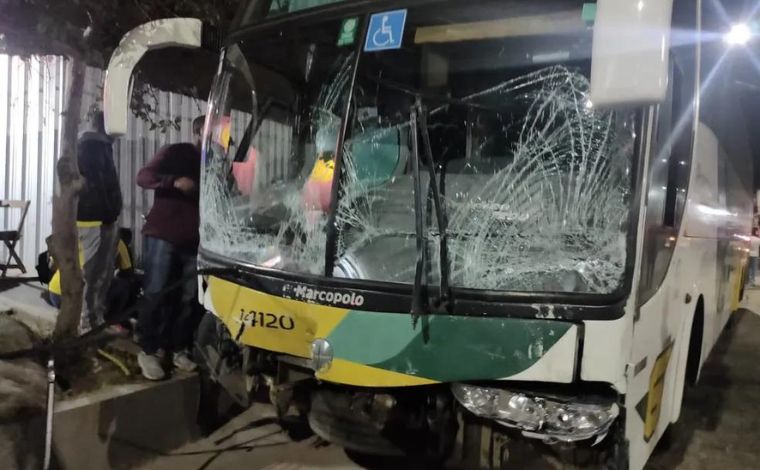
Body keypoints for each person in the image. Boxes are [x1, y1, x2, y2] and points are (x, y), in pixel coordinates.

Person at [136, 116, 204, 380]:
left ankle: (178, 349)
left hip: (195, 240)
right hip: (164, 234)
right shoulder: (177, 152)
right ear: (200, 130)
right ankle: (149, 349)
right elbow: (144, 177)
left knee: (188, 298)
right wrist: (174, 182)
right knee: (156, 291)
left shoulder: (217, 163)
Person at [77, 111, 123, 333]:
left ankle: (96, 319)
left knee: (102, 274)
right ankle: (86, 323)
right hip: (93, 222)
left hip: (102, 220)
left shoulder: (100, 146)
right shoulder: (90, 147)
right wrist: (108, 212)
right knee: (92, 275)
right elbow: (96, 186)